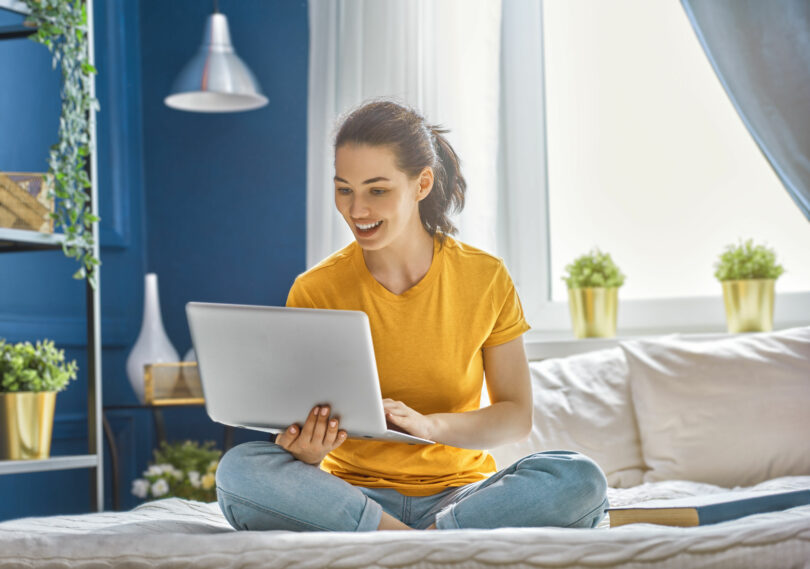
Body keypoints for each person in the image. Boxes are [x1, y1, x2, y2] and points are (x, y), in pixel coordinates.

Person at [215, 99, 608, 532]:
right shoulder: (315, 288)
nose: (356, 209)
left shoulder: (485, 277)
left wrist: (428, 425)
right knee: (240, 471)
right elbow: (303, 421)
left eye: (376, 190)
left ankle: (412, 540)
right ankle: (415, 543)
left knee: (578, 476)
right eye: (344, 189)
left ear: (422, 184)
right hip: (352, 494)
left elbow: (516, 416)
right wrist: (306, 452)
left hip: (461, 495)